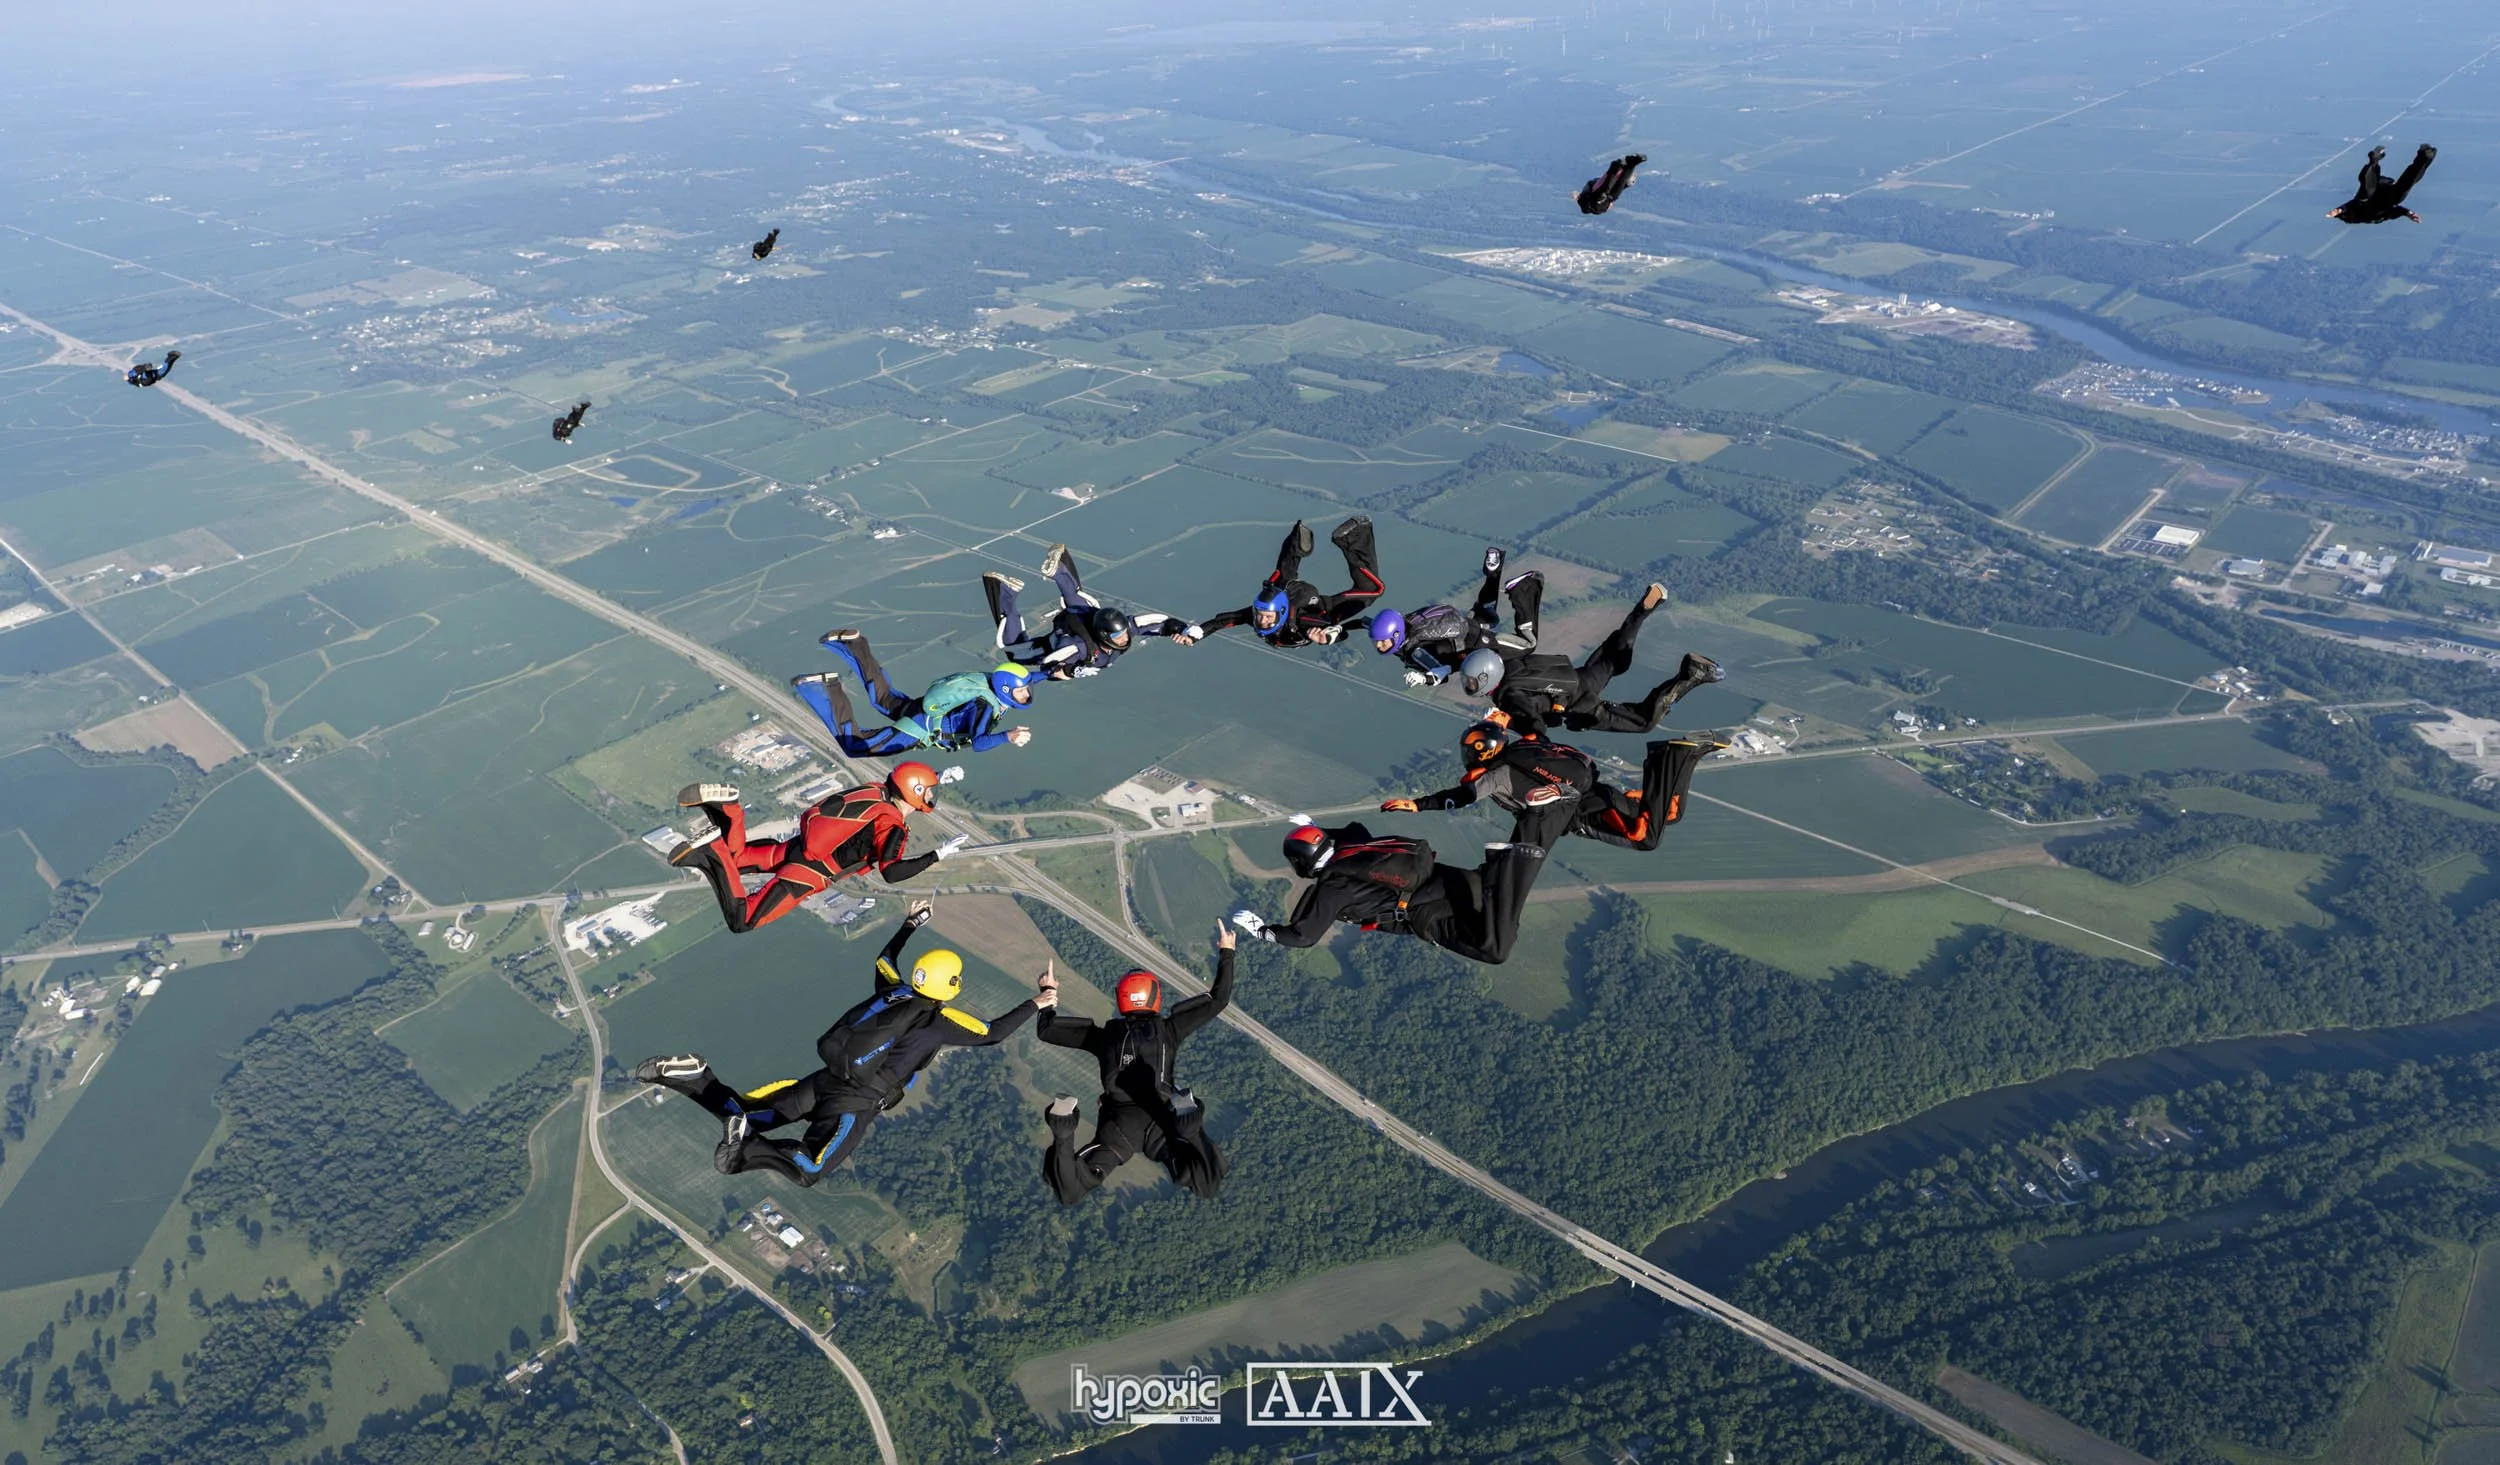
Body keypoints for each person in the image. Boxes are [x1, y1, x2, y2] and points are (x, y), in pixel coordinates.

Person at [631, 904, 1053, 1184]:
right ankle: (743, 1145)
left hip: (825, 1079)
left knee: (751, 1113)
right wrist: (1040, 1000)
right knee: (809, 1168)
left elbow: (884, 962)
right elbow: (994, 1032)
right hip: (855, 1104)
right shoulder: (940, 1021)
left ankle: (695, 1078)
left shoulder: (897, 992)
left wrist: (910, 924)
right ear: (952, 986)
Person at [1036, 927, 1234, 1204]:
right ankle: (1193, 1130)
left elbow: (1047, 1030)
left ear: (1121, 998)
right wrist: (1227, 951)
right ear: (1155, 997)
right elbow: (1219, 999)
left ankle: (1063, 1129)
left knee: (1071, 1191)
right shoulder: (1170, 1030)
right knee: (1207, 1184)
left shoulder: (1104, 1037)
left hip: (1118, 1126)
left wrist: (1048, 993)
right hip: (1162, 1122)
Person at [669, 764, 971, 932]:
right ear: (916, 792)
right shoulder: (892, 826)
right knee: (743, 919)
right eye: (929, 792)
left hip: (796, 849)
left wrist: (937, 776)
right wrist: (938, 854)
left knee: (737, 860)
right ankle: (710, 851)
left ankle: (730, 813)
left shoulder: (877, 791)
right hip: (810, 874)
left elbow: (904, 786)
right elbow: (892, 872)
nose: (932, 798)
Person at [1228, 817, 1546, 965]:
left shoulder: (1333, 887)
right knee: (1506, 920)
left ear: (1301, 862)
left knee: (1495, 950)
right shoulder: (1353, 850)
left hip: (1429, 913)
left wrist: (1262, 931)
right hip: (1453, 880)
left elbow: (1303, 937)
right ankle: (1504, 864)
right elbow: (1354, 828)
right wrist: (1317, 826)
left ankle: (1499, 866)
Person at [1382, 723, 1717, 852]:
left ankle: (1664, 758)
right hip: (1601, 794)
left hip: (1586, 813)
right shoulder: (1524, 749)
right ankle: (1688, 756)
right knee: (1670, 814)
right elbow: (1538, 733)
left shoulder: (1498, 774)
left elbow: (1464, 795)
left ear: (1482, 752)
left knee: (1647, 839)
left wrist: (1419, 804)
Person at [1475, 583, 1722, 736]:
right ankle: (1642, 611)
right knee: (1615, 659)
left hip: (1580, 708)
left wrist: (1516, 730)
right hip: (1578, 679)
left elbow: (1536, 727)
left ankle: (1691, 674)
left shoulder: (1509, 700)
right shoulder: (1508, 664)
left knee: (1643, 722)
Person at [790, 628, 1037, 756]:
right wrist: (1008, 736)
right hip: (921, 730)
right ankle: (823, 688)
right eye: (1023, 692)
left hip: (925, 711)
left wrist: (1054, 672)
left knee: (884, 698)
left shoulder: (989, 684)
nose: (1027, 696)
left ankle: (853, 643)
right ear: (1006, 689)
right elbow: (980, 743)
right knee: (856, 747)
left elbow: (1030, 677)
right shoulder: (986, 706)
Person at [983, 542, 1184, 679]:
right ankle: (1003, 590)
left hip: (1086, 617)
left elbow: (1153, 622)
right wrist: (1070, 671)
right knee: (1014, 653)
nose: (1124, 638)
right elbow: (1052, 661)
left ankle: (1060, 568)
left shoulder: (1122, 629)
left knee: (1081, 604)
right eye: (1118, 635)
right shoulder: (1077, 647)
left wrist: (1180, 629)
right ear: (1105, 636)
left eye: (1123, 633)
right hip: (1064, 636)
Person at [1178, 516, 1383, 649]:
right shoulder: (1257, 616)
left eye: (1267, 617)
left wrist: (1327, 637)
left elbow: (1338, 628)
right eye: (1261, 616)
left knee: (1373, 591)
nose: (1262, 622)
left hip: (1314, 604)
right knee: (1279, 580)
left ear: (1282, 613)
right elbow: (1222, 621)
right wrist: (1197, 634)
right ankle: (1299, 541)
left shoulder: (1302, 621)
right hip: (1289, 594)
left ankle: (1354, 536)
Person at [1371, 546, 1542, 687]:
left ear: (1396, 634)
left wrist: (1423, 678)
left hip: (1479, 643)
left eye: (1383, 641)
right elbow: (1365, 623)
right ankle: (1493, 569)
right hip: (1466, 626)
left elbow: (1442, 673)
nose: (1379, 645)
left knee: (1529, 645)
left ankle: (1524, 588)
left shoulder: (1416, 652)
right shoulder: (1409, 623)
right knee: (1488, 612)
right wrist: (1343, 626)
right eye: (1377, 641)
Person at [2329, 144, 2436, 224]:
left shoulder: (2359, 211)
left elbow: (2351, 205)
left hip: (2377, 187)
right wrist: (2408, 213)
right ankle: (2424, 157)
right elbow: (2395, 211)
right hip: (2388, 194)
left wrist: (2339, 210)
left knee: (2366, 192)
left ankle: (2374, 162)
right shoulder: (2377, 217)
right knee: (2405, 188)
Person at [1576, 154, 1647, 216]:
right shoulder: (1614, 194)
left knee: (1606, 188)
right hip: (1603, 200)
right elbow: (1620, 184)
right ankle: (1632, 163)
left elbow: (1607, 181)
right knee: (1613, 191)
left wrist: (1617, 165)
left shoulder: (1587, 200)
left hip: (1593, 191)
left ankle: (1621, 165)